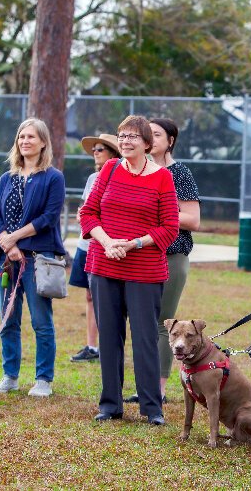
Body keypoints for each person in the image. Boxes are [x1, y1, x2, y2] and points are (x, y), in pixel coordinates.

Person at [80, 115, 179, 425]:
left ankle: (152, 408)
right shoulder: (108, 170)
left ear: (147, 143)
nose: (124, 141)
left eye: (132, 136)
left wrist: (133, 243)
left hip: (144, 270)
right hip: (103, 264)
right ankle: (110, 405)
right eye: (121, 136)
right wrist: (108, 242)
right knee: (109, 336)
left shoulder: (162, 177)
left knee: (145, 337)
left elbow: (170, 228)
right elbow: (88, 213)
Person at [0, 118, 66, 398]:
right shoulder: (6, 178)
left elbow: (48, 218)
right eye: (21, 136)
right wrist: (8, 245)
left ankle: (43, 379)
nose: (25, 141)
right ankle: (10, 376)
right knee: (8, 319)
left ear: (43, 142)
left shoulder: (53, 178)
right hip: (6, 259)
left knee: (41, 322)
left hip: (37, 260)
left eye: (31, 136)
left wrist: (15, 237)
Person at [124, 118, 200, 405]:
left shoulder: (179, 173)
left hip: (171, 256)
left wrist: (158, 215)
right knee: (140, 323)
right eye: (147, 134)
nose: (151, 138)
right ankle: (142, 386)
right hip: (139, 256)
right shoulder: (135, 172)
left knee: (161, 323)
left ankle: (158, 389)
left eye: (157, 134)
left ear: (170, 141)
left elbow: (193, 219)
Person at [69, 133, 120, 362]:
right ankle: (92, 347)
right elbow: (85, 207)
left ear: (113, 154)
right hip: (85, 244)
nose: (95, 153)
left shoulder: (120, 177)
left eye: (100, 149)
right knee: (89, 296)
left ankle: (110, 346)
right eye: (94, 149)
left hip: (106, 245)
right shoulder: (92, 178)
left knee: (107, 298)